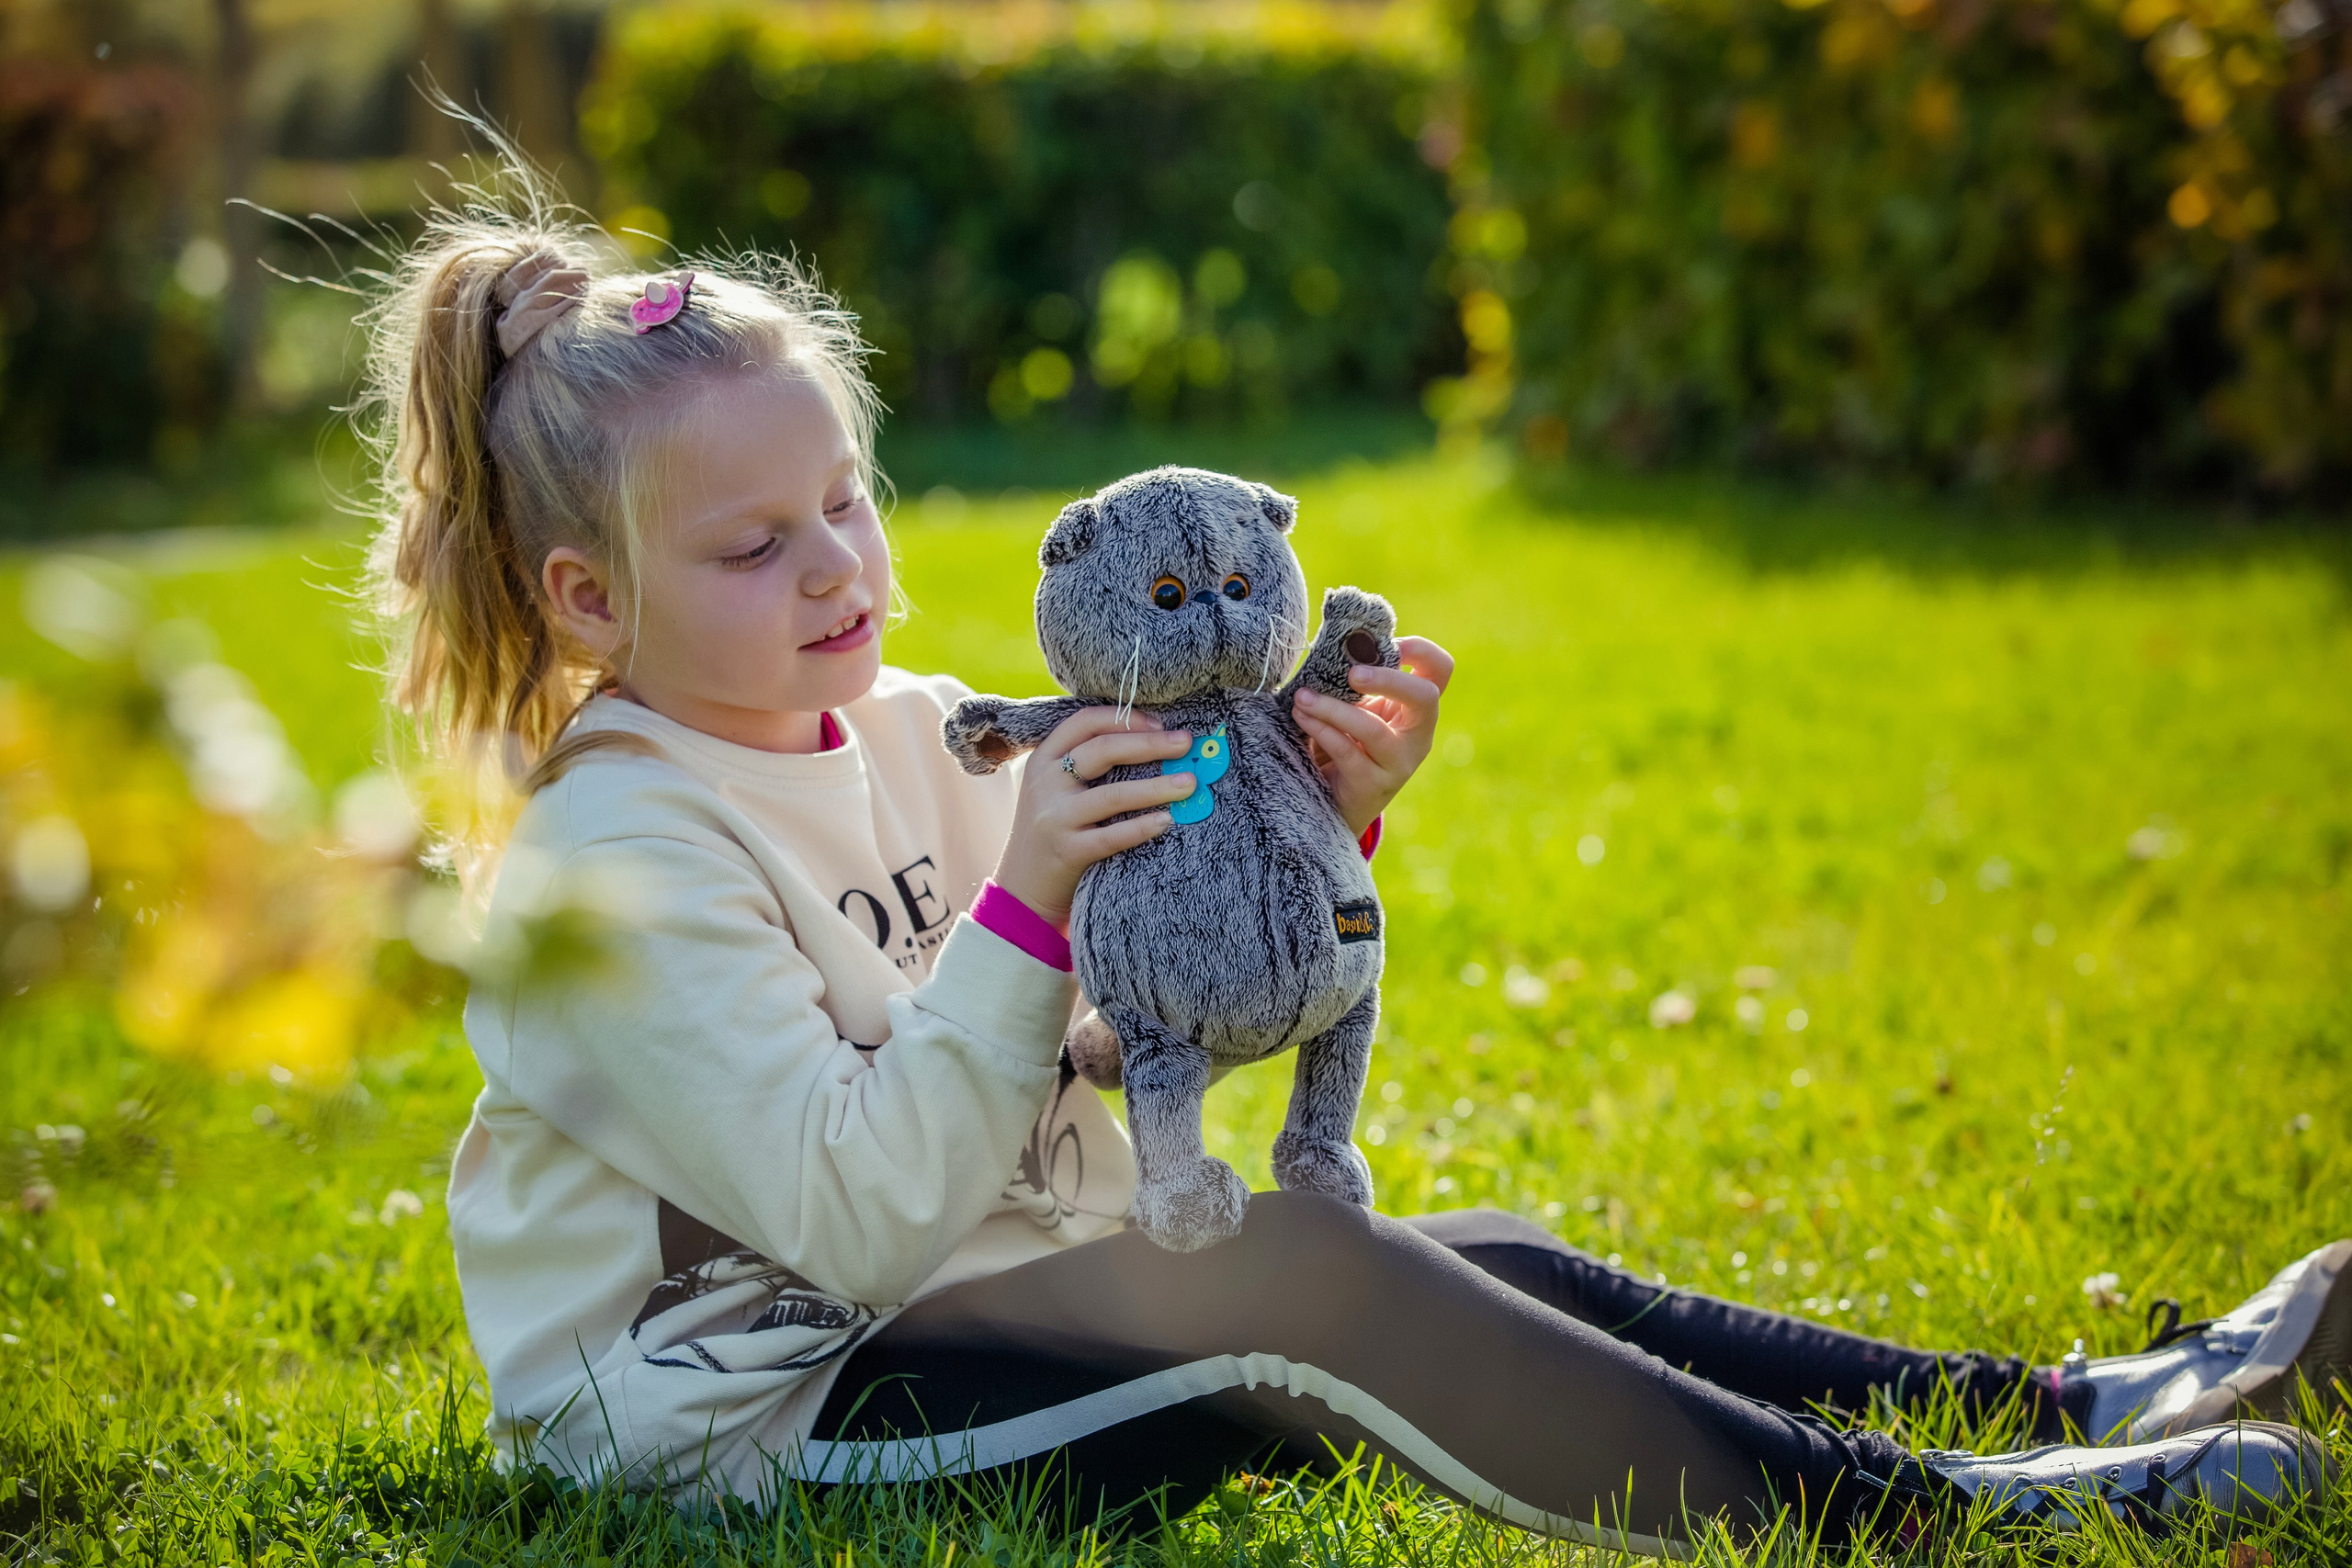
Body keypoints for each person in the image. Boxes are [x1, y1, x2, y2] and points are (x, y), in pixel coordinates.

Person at [361, 185, 2340, 1556]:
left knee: (1477, 1255)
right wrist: (1025, 900)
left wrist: (1315, 812)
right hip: (764, 1421)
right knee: (1302, 1285)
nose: (836, 567)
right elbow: (861, 1221)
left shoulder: (914, 726)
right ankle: (1932, 1516)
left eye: (846, 499)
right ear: (585, 594)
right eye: (751, 545)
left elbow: (1157, 996)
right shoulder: (604, 868)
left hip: (994, 1292)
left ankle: (2076, 1395)